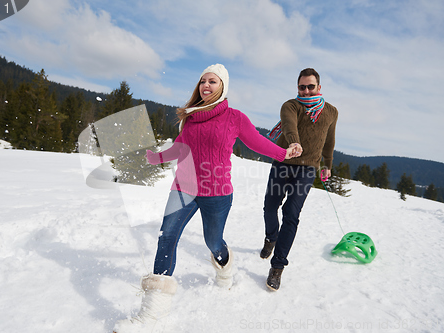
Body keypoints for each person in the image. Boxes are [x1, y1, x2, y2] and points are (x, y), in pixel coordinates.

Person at [114, 64, 298, 332]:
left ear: (222, 86)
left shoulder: (235, 118)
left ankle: (224, 267)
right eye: (203, 81)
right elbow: (180, 146)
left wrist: (283, 154)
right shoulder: (190, 117)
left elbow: (256, 141)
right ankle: (152, 313)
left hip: (217, 193)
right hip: (183, 188)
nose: (206, 86)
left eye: (212, 81)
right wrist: (157, 158)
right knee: (167, 237)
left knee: (212, 241)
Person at [261, 68, 338, 291]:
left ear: (319, 88)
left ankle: (277, 267)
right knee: (270, 207)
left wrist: (327, 165)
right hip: (283, 162)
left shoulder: (331, 112)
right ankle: (270, 238)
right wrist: (293, 143)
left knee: (291, 214)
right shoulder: (291, 105)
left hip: (308, 169)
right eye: (302, 87)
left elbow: (329, 140)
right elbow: (288, 124)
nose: (305, 91)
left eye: (310, 86)